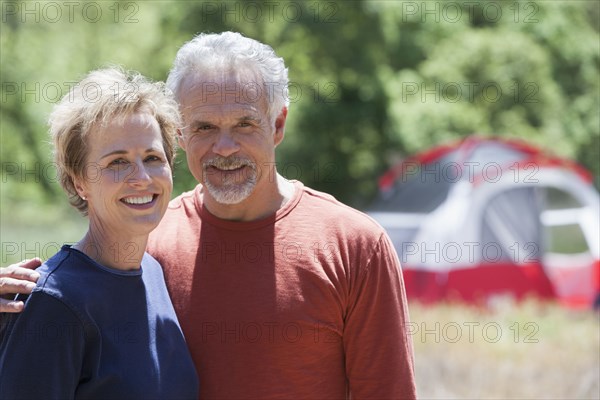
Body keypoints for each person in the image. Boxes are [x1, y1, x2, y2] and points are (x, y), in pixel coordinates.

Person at [1, 32, 417, 399]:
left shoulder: (356, 247)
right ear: (181, 135)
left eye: (244, 124)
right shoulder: (152, 242)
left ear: (277, 125)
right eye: (203, 128)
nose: (224, 147)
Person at [0, 67, 199, 399]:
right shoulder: (54, 301)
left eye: (152, 157)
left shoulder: (153, 273)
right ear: (80, 181)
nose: (142, 178)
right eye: (117, 162)